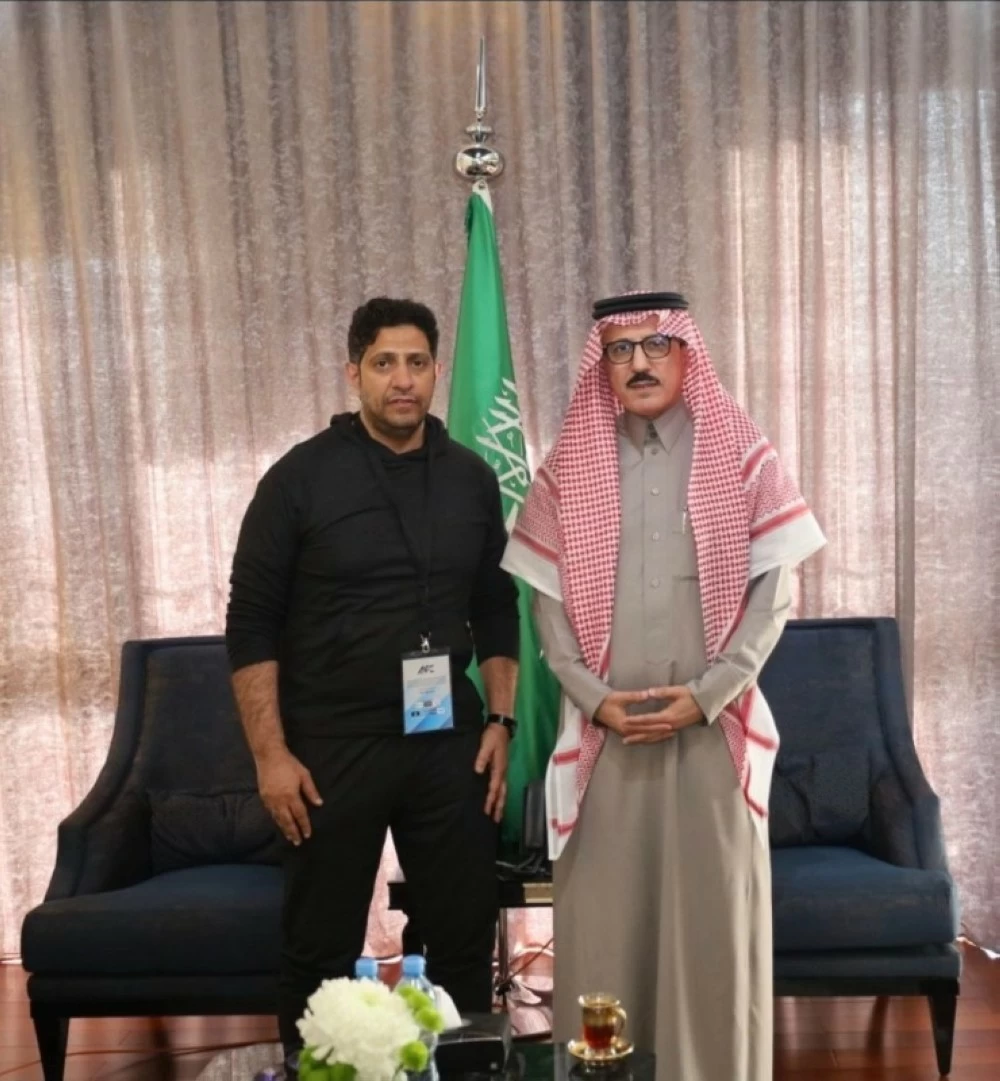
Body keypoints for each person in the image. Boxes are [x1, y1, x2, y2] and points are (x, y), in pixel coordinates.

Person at [502, 291, 826, 1080]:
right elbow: (546, 605)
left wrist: (710, 692)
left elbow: (773, 595)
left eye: (656, 345)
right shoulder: (569, 468)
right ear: (602, 364)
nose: (639, 363)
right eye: (621, 349)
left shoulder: (741, 454)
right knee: (606, 937)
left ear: (686, 353)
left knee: (712, 943)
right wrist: (594, 697)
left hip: (712, 738)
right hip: (606, 745)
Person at [225, 296, 520, 1054]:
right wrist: (270, 755)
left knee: (462, 939)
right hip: (330, 748)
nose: (403, 379)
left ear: (436, 370)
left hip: (446, 741)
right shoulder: (297, 480)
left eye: (417, 362)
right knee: (318, 947)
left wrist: (501, 719)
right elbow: (250, 623)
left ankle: (456, 1072)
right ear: (353, 372)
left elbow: (495, 605)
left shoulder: (471, 478)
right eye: (384, 363)